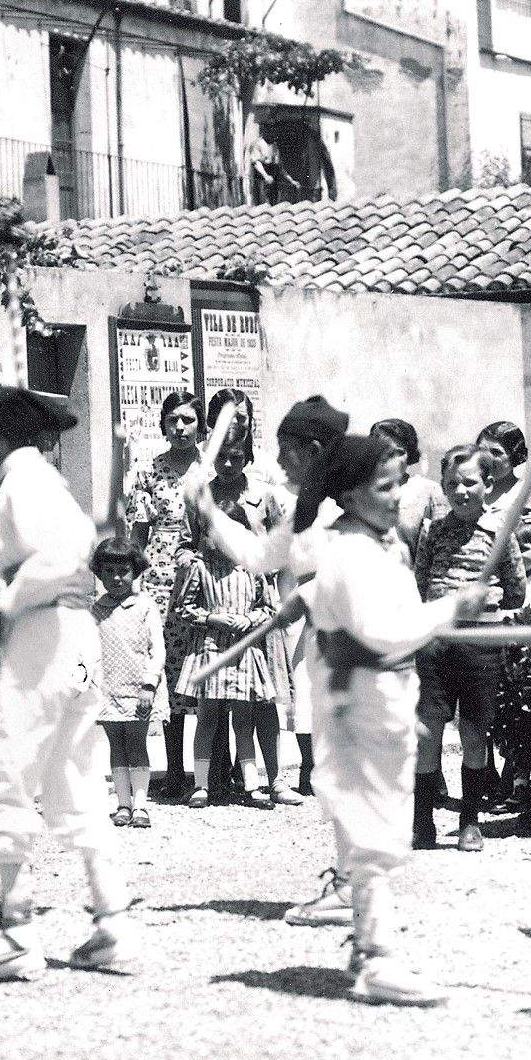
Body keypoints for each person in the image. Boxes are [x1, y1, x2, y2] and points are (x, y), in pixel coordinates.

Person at [0, 386, 139, 984]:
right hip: (72, 643)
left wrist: (1, 609)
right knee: (74, 782)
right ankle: (112, 922)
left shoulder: (25, 482)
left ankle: (15, 933)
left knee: (4, 777)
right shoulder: (38, 485)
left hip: (42, 641)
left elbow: (57, 560)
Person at [302, 432, 488, 1005]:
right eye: (384, 487)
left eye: (401, 482)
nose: (397, 496)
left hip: (383, 691)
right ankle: (379, 959)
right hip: (360, 693)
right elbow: (384, 633)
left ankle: (366, 945)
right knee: (377, 829)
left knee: (378, 822)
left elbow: (400, 620)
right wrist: (452, 606)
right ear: (350, 493)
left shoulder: (380, 547)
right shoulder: (351, 553)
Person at [189, 394, 360, 927]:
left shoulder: (344, 503)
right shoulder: (307, 506)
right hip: (330, 652)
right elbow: (264, 555)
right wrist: (209, 512)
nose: (279, 463)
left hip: (362, 657)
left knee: (350, 774)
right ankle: (350, 880)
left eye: (287, 451)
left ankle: (358, 891)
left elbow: (352, 566)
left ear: (311, 451)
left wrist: (305, 598)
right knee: (334, 772)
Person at [410, 445, 526, 853]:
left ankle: (469, 821)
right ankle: (421, 822)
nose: (460, 491)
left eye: (469, 482)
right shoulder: (431, 531)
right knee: (429, 731)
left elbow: (516, 590)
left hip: (479, 645)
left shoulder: (500, 533)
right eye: (451, 484)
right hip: (437, 643)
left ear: (488, 484)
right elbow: (420, 584)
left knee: (476, 733)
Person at [172, 510, 282, 810]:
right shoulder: (201, 569)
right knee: (207, 718)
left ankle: (251, 785)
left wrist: (248, 619)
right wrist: (211, 617)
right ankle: (201, 785)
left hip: (243, 649)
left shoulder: (252, 569)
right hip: (210, 647)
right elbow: (183, 607)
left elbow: (268, 608)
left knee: (244, 721)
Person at [124, 390, 204, 798]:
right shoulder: (148, 473)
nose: (180, 427)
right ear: (163, 424)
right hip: (160, 579)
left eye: (188, 419)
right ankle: (174, 769)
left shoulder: (213, 470)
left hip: (207, 577)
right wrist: (133, 589)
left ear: (200, 424)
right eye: (173, 419)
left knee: (208, 668)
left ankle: (217, 770)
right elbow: (137, 536)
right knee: (169, 671)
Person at [91, 536, 162, 828]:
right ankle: (122, 803)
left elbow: (157, 649)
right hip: (107, 688)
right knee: (116, 746)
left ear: (136, 572)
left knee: (136, 744)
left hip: (138, 688)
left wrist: (149, 684)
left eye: (123, 571)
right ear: (99, 573)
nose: (116, 578)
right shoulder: (96, 609)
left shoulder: (145, 606)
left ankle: (141, 806)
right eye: (109, 572)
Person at [369, 417, 442, 561]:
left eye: (399, 452)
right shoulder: (359, 489)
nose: (391, 458)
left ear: (410, 455)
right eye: (384, 449)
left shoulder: (429, 491)